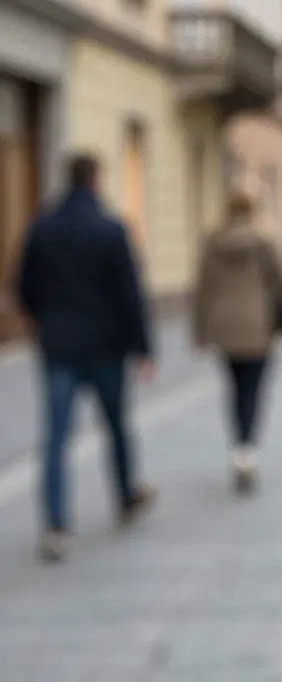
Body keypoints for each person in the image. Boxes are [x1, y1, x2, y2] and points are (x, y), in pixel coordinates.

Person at [16, 154, 157, 563]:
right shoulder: (111, 230)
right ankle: (126, 495)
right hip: (106, 347)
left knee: (57, 436)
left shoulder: (41, 228)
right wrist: (143, 348)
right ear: (95, 181)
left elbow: (24, 286)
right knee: (115, 425)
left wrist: (45, 320)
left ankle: (56, 524)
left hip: (59, 345)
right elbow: (130, 293)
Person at [193, 191, 282, 493]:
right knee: (254, 388)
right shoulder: (263, 240)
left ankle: (238, 445)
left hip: (224, 327)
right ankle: (248, 448)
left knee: (234, 388)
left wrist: (200, 330)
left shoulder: (213, 240)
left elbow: (202, 286)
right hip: (258, 325)